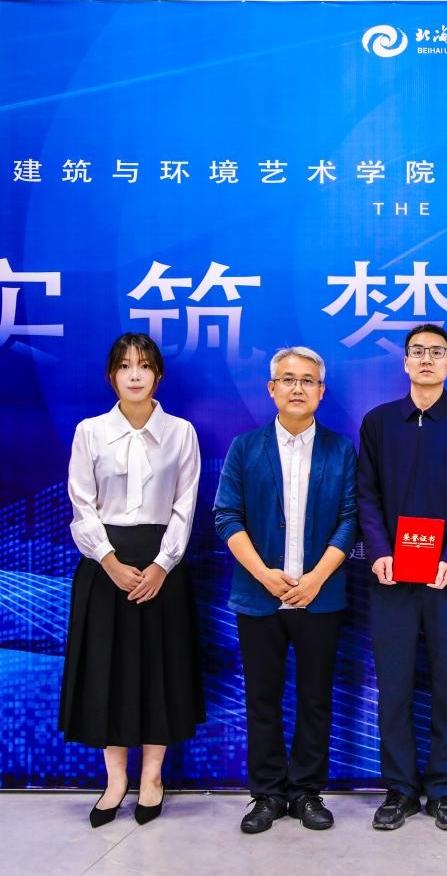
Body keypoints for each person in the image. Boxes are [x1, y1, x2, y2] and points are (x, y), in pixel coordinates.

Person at [61, 332, 204, 827]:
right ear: (112, 376)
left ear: (158, 375)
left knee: (159, 670)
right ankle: (116, 780)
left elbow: (185, 505)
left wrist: (163, 564)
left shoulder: (181, 432)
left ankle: (153, 777)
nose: (135, 374)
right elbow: (82, 504)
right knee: (109, 670)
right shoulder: (90, 432)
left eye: (144, 365)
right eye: (125, 366)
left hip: (163, 566)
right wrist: (108, 560)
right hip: (105, 566)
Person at [214, 346, 358, 834]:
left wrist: (315, 578)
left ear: (321, 391)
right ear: (271, 388)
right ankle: (267, 794)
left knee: (316, 698)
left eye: (307, 380)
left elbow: (350, 518)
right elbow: (226, 516)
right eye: (289, 379)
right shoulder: (245, 448)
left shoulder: (340, 450)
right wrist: (264, 574)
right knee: (262, 698)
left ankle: (307, 792)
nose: (298, 388)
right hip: (259, 596)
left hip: (320, 596)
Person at [357, 324, 447, 831]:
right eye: (418, 352)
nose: (427, 360)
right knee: (393, 687)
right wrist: (379, 551)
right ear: (405, 362)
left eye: (437, 352)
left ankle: (442, 788)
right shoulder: (379, 422)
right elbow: (366, 493)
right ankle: (399, 788)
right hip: (391, 579)